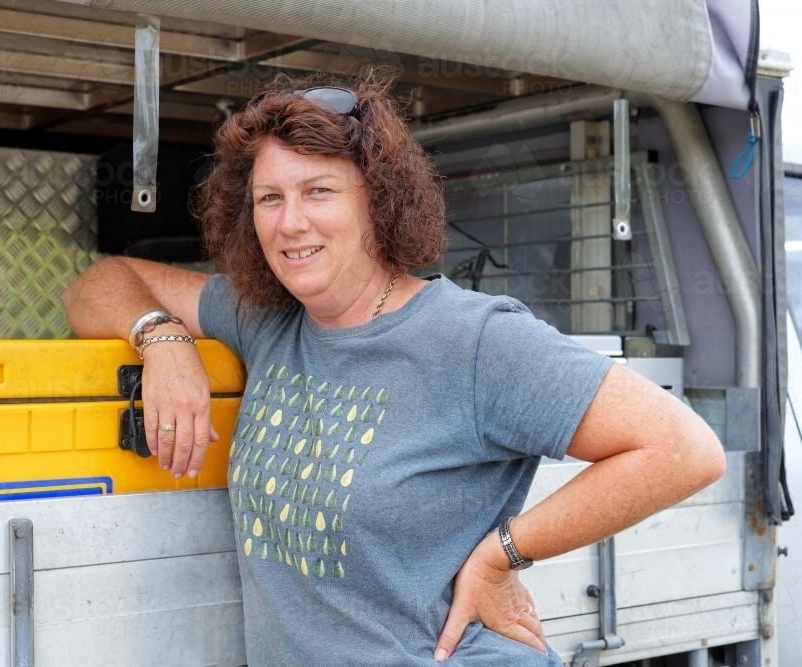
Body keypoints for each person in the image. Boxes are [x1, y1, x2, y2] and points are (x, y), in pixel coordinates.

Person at [61, 72, 726, 666]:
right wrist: (163, 338)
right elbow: (96, 283)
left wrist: (504, 553)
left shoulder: (472, 339)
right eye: (269, 198)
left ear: (377, 201)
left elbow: (683, 448)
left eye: (318, 191)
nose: (290, 223)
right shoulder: (267, 316)